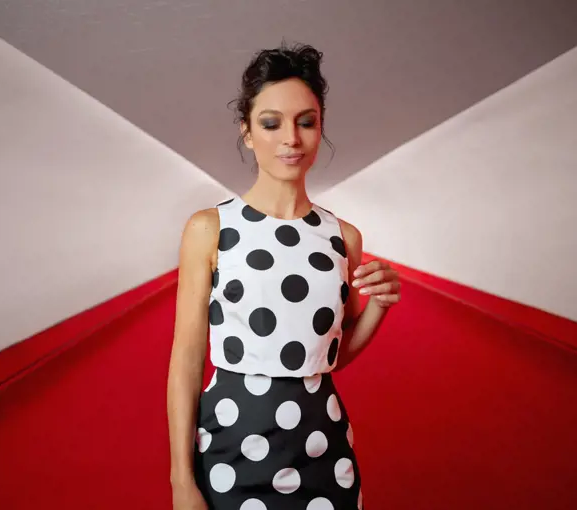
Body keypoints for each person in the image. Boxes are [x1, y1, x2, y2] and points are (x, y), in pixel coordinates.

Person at [167, 42, 401, 510]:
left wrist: (380, 305)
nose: (291, 138)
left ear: (320, 129)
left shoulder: (343, 238)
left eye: (306, 122)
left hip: (324, 451)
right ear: (248, 133)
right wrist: (181, 480)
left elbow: (328, 357)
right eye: (271, 123)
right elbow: (188, 361)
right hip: (231, 448)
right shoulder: (210, 229)